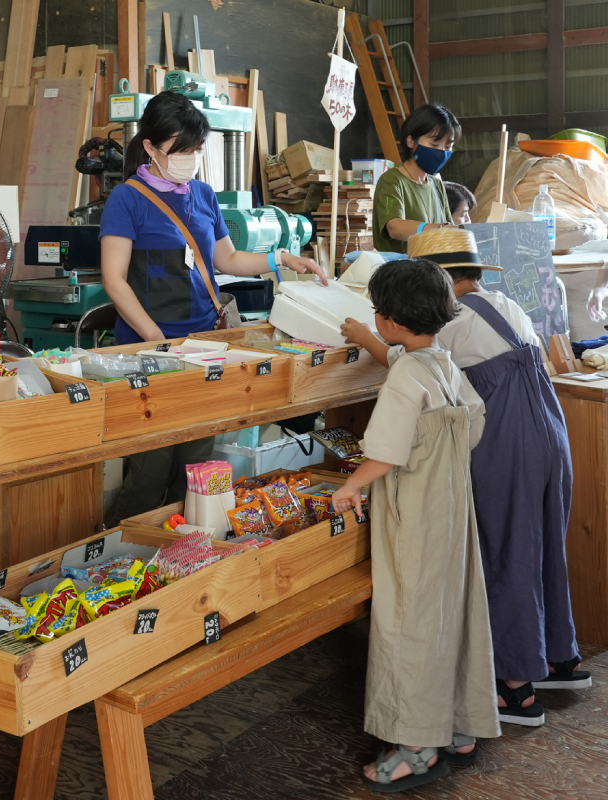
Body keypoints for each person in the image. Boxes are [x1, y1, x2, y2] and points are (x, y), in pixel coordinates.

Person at [344, 227, 590, 730]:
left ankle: (514, 688)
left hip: (507, 441)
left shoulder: (450, 321)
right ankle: (559, 659)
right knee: (540, 545)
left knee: (502, 552)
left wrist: (366, 337)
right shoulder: (505, 303)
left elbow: (410, 362)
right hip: (549, 431)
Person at [100, 91, 326, 521]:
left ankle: (187, 555)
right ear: (150, 147)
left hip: (204, 348)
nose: (190, 158)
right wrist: (155, 339)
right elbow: (115, 280)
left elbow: (227, 260)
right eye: (180, 150)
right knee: (149, 471)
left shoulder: (202, 194)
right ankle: (128, 556)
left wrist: (280, 258)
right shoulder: (126, 199)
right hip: (152, 354)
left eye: (197, 149)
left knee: (196, 471)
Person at [332, 258, 500, 793]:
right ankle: (461, 726)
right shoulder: (442, 362)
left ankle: (416, 746)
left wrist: (350, 485)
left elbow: (384, 451)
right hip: (452, 507)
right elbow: (473, 422)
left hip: (414, 513)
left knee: (409, 622)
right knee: (453, 610)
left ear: (390, 320)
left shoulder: (405, 374)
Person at [373, 104, 459, 254]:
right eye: (434, 144)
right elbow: (395, 227)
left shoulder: (436, 184)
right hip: (401, 272)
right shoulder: (392, 181)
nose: (441, 152)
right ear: (411, 141)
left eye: (448, 146)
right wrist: (438, 229)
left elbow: (448, 230)